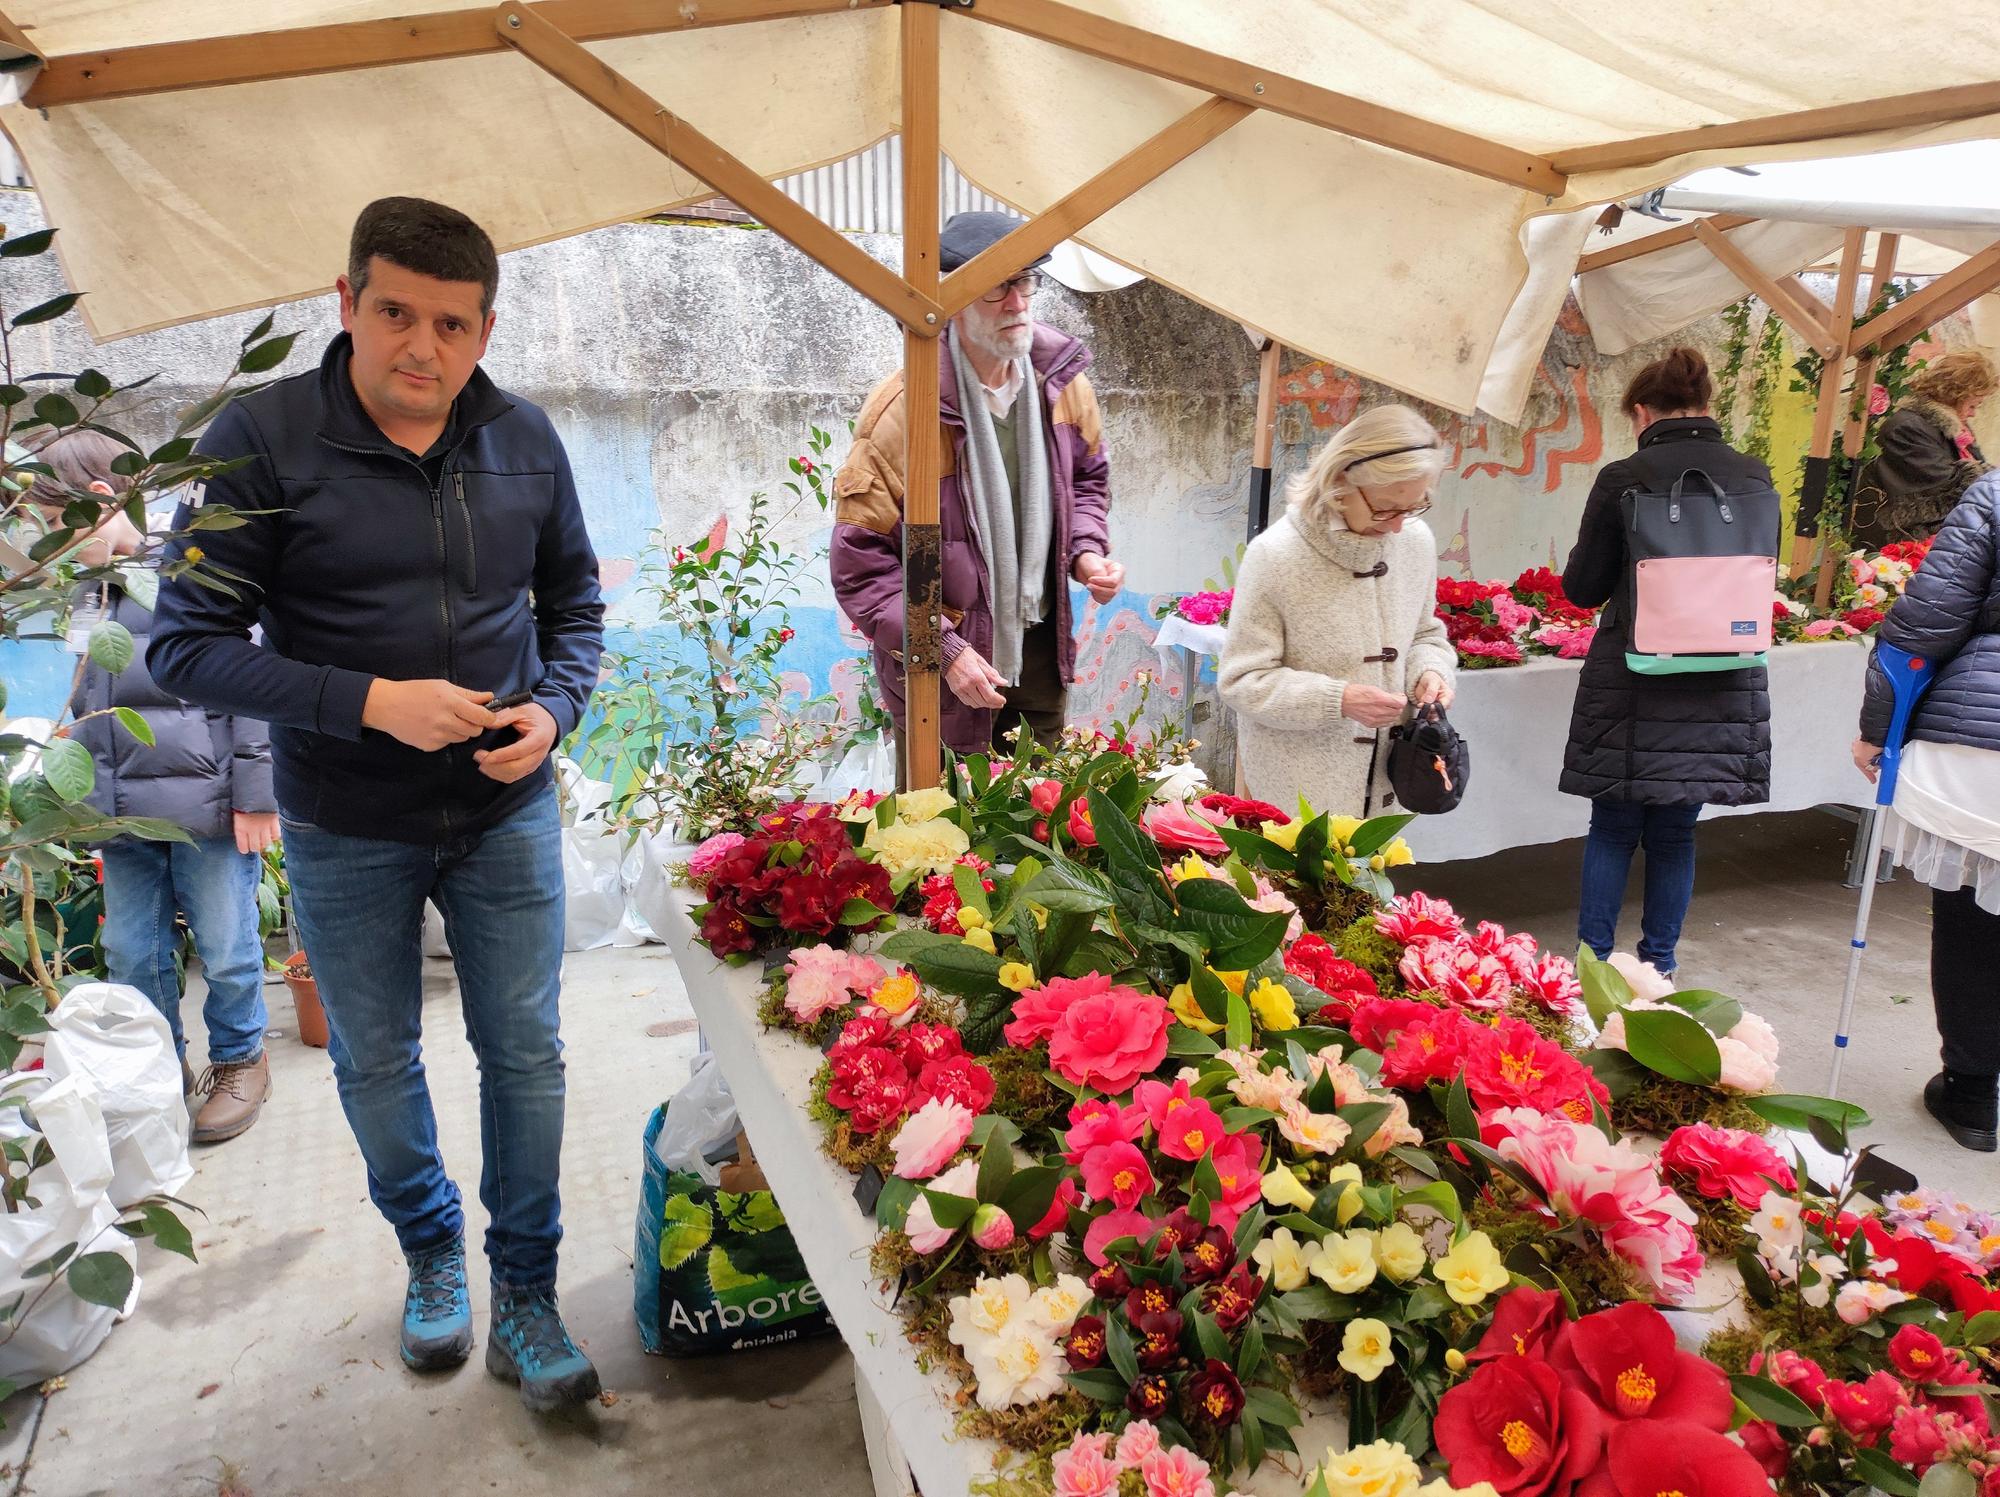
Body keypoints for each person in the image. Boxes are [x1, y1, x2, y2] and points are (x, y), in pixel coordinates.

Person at [148, 198, 606, 1409]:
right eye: (395, 311)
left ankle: (527, 1290)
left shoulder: (525, 440)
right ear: (344, 303)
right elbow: (187, 647)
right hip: (345, 818)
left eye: (452, 323)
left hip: (505, 811)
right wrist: (364, 702)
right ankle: (430, 1253)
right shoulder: (261, 440)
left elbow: (577, 611)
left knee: (527, 1054)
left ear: (483, 329)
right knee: (375, 1058)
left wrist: (556, 711)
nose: (423, 346)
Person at [35, 433, 282, 1141]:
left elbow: (247, 683)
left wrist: (256, 792)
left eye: (56, 522)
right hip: (116, 813)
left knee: (227, 942)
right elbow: (88, 696)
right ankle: (156, 1067)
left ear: (102, 500)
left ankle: (240, 1060)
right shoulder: (87, 591)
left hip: (203, 808)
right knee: (130, 952)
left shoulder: (189, 571)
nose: (49, 540)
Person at [830, 211, 1120, 769]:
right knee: (940, 832)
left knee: (1042, 823)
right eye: (996, 288)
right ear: (952, 302)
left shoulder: (1059, 384)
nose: (1018, 303)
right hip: (944, 670)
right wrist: (943, 648)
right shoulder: (908, 413)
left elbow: (1087, 479)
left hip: (1037, 644)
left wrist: (1085, 551)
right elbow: (864, 568)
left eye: (1026, 281)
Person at [1558, 347, 1773, 977]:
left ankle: (1591, 969)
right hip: (1724, 675)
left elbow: (1583, 587)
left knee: (1614, 826)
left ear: (1643, 411)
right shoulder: (1753, 476)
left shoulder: (1626, 475)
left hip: (1634, 676)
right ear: (1707, 407)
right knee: (1677, 831)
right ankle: (1660, 969)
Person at [1851, 472, 2000, 1153]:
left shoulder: (1997, 493)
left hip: (1984, 746)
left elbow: (1924, 623)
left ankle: (1971, 1093)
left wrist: (1877, 730)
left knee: (1971, 918)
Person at [1218, 405, 1456, 816]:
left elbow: (1425, 635)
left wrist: (1431, 672)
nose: (1399, 525)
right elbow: (1242, 679)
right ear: (1340, 480)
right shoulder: (1275, 556)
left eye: (1415, 506)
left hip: (1391, 786)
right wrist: (1338, 699)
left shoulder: (1415, 542)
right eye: (1385, 508)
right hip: (1298, 797)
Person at [1850, 350, 1996, 549]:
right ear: (1955, 395)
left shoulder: (1953, 430)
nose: (1973, 414)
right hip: (1900, 546)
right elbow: (1949, 488)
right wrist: (1989, 478)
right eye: (1972, 405)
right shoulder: (1907, 427)